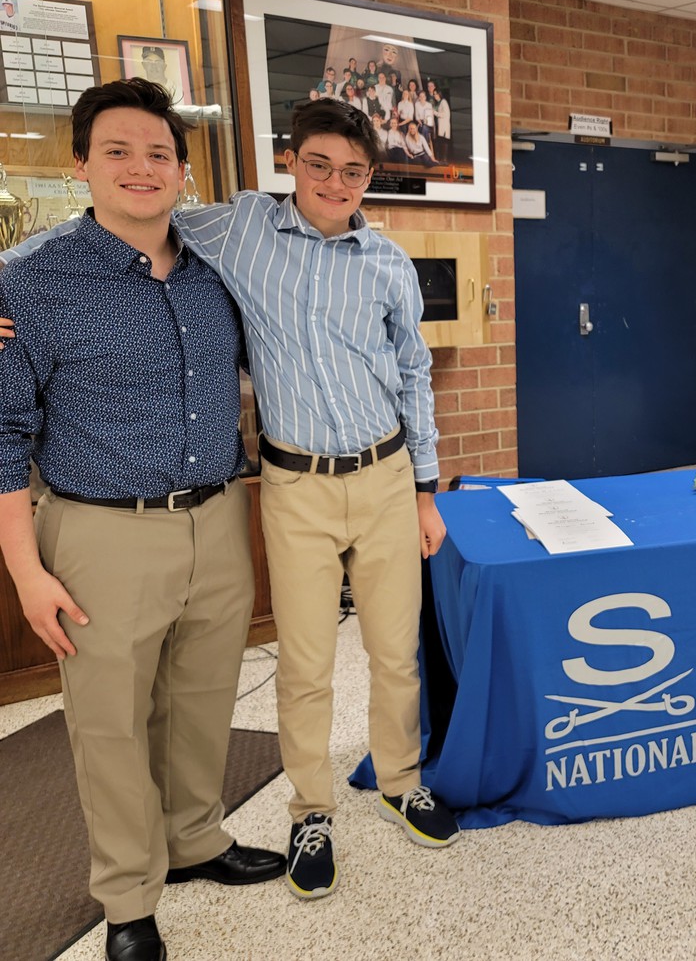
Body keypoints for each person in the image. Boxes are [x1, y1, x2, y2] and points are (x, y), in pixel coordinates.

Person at [8, 98, 458, 898]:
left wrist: (426, 487)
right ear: (292, 162)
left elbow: (413, 374)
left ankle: (376, 788)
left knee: (363, 659)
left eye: (353, 170)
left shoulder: (355, 262)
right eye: (318, 164)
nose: (334, 182)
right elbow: (10, 420)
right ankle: (278, 822)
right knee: (292, 665)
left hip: (330, 488)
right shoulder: (229, 234)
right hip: (255, 492)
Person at [0, 78, 285, 961]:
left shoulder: (215, 278)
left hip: (216, 519)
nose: (140, 167)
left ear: (183, 170)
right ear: (79, 163)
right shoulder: (30, 285)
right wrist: (25, 570)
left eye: (159, 152)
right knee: (109, 720)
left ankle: (196, 839)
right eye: (117, 150)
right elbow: (4, 434)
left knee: (203, 699)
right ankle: (127, 895)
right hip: (98, 536)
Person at [429, 82, 451, 161]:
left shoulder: (443, 102)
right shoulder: (438, 103)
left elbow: (445, 114)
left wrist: (434, 112)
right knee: (441, 142)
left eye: (436, 93)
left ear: (440, 94)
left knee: (444, 142)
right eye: (434, 94)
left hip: (444, 125)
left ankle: (444, 160)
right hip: (439, 125)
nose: (435, 95)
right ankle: (442, 159)